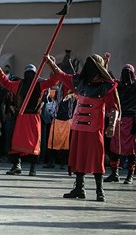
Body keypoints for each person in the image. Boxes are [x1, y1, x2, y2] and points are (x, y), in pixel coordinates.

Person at [45, 54, 120, 202]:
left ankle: (100, 191)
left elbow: (114, 108)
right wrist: (49, 63)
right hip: (78, 127)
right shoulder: (80, 82)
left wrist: (112, 125)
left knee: (96, 159)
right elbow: (61, 75)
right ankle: (79, 188)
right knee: (78, 158)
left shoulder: (107, 86)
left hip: (94, 129)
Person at [0, 62, 58, 176]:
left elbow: (6, 83)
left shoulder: (37, 84)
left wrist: (52, 65)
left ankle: (31, 168)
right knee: (18, 143)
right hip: (23, 117)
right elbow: (6, 83)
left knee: (32, 144)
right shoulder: (27, 84)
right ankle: (18, 166)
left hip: (32, 118)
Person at [105, 64, 136, 184]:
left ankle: (130, 175)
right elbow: (107, 79)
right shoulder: (118, 85)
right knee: (115, 148)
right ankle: (114, 173)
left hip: (132, 121)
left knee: (132, 150)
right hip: (119, 119)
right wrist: (106, 64)